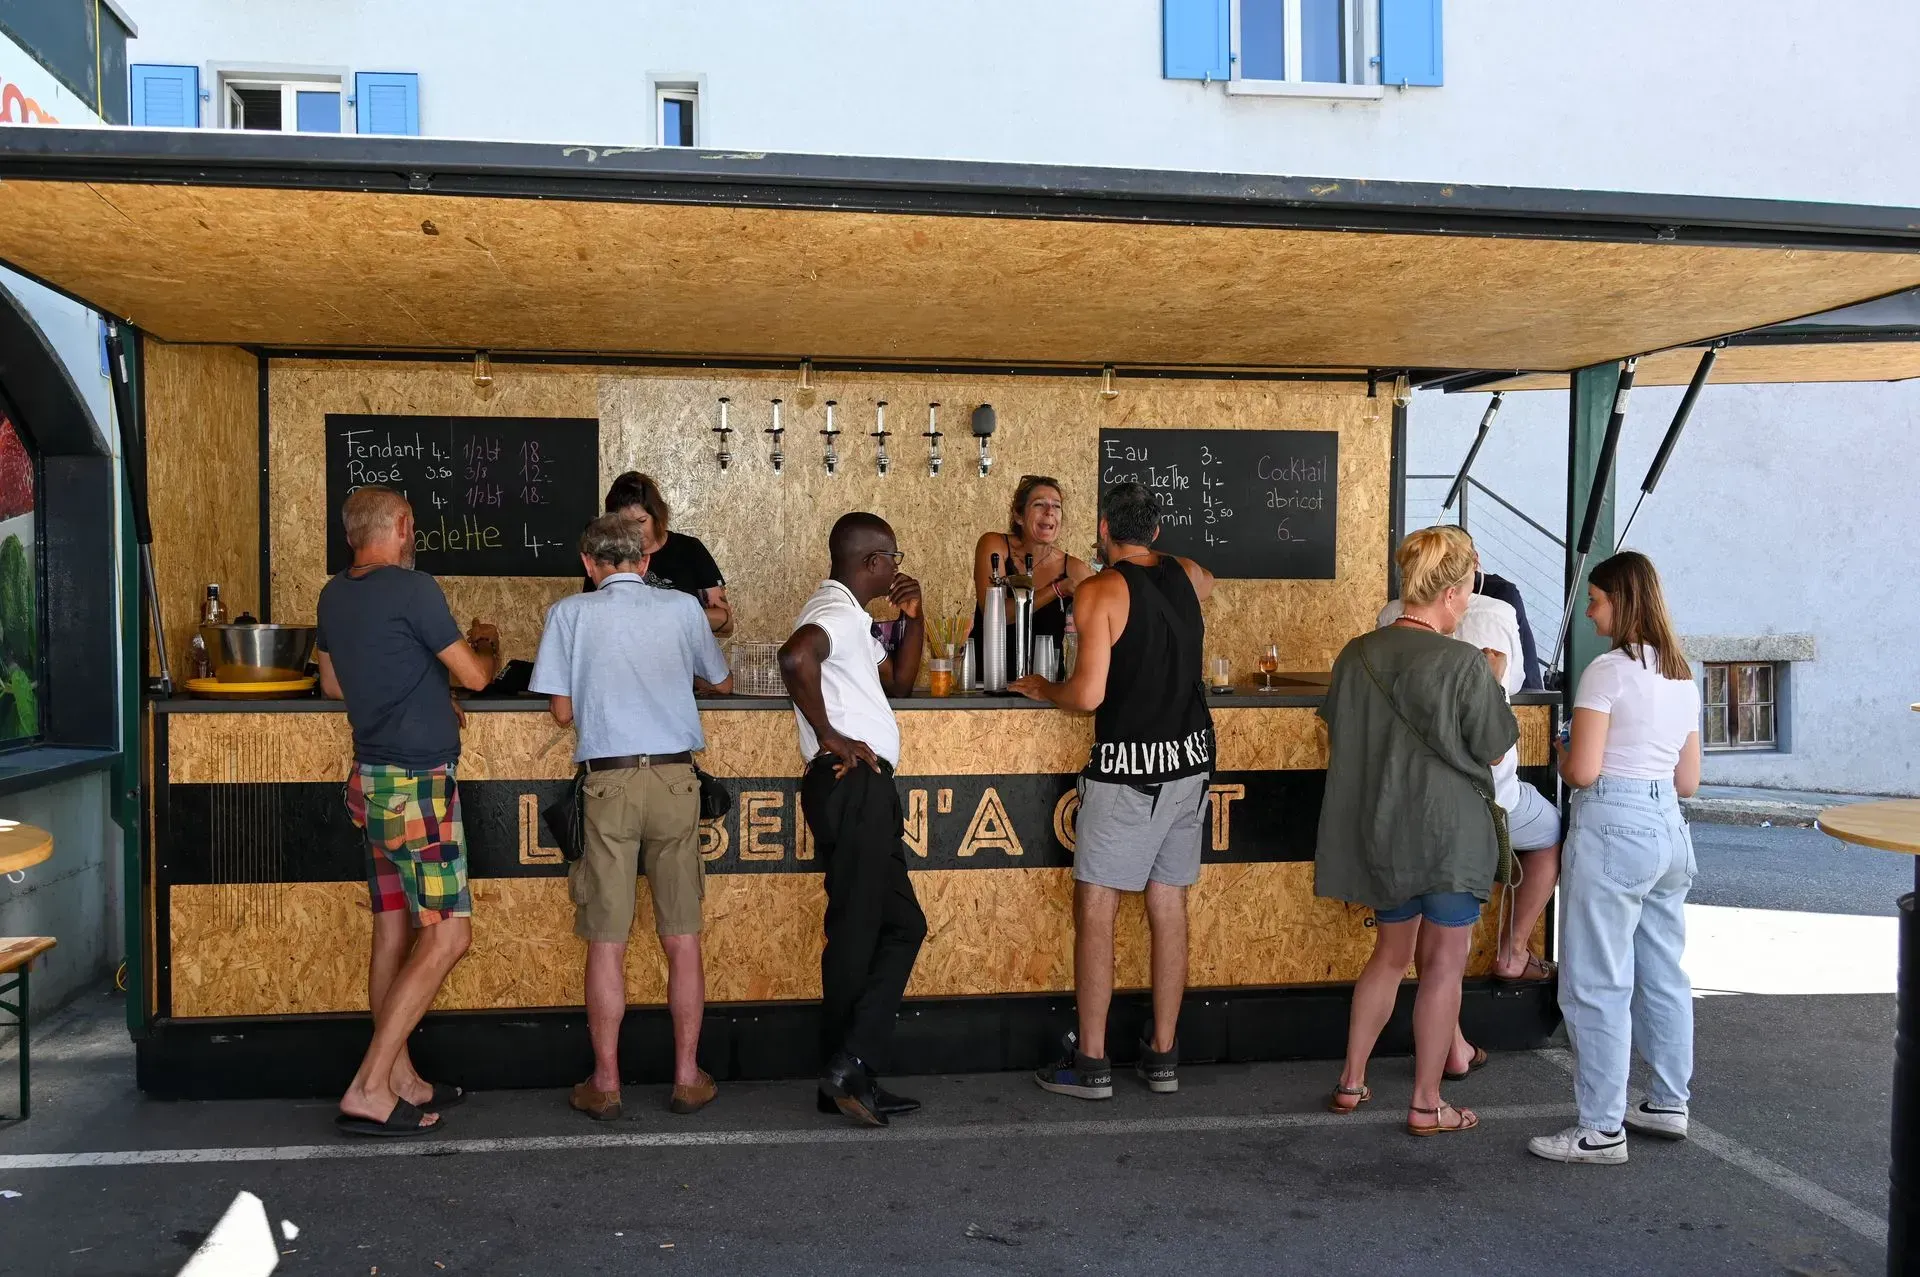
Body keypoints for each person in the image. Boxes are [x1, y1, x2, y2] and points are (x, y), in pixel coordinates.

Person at [1010, 481, 1215, 1101]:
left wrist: (1046, 687)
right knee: (1168, 904)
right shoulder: (1192, 574)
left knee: (1097, 910)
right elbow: (1194, 588)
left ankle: (1093, 1063)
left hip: (1130, 770)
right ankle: (1163, 1056)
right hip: (1191, 764)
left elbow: (1088, 696)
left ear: (1102, 528)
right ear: (1154, 531)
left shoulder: (1099, 590)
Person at [531, 513, 732, 1122]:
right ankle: (687, 1075)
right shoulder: (680, 610)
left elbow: (562, 713)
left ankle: (607, 1081)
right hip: (675, 780)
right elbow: (719, 680)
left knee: (607, 941)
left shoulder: (570, 613)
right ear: (645, 562)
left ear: (589, 565)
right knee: (682, 937)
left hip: (609, 784)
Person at [315, 485, 501, 1136]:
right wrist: (477, 648)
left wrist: (422, 686)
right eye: (411, 526)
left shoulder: (333, 594)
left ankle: (403, 1078)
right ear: (399, 526)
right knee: (449, 935)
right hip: (418, 788)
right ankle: (369, 1085)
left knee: (394, 929)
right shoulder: (415, 589)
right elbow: (477, 676)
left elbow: (335, 682)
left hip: (370, 784)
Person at [1320, 527, 1517, 1137]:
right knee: (1443, 971)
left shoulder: (1356, 655)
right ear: (1455, 593)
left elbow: (1337, 734)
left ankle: (1352, 1081)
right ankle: (1428, 1103)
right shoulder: (1463, 661)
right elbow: (1492, 746)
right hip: (1450, 837)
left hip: (1384, 832)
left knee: (1388, 956)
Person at [1529, 551, 1702, 1165]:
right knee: (1663, 972)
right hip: (1668, 828)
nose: (1592, 614)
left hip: (1614, 823)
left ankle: (1601, 1128)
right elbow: (1688, 781)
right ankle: (1666, 1101)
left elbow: (1582, 770)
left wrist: (1560, 750)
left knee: (1596, 979)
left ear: (1622, 602)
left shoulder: (1607, 672)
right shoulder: (1683, 675)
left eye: (1597, 601)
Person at [778, 512, 928, 1127]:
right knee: (863, 931)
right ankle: (847, 1065)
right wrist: (832, 737)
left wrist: (913, 621)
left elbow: (904, 680)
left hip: (860, 790)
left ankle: (847, 1071)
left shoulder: (847, 612)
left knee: (896, 926)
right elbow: (794, 660)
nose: (897, 567)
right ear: (872, 563)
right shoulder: (836, 614)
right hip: (854, 785)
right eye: (892, 556)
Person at [1379, 529, 1562, 984]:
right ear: (1459, 582)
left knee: (1397, 951)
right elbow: (1495, 737)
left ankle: (1403, 1050)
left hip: (1402, 798)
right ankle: (1513, 951)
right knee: (1552, 832)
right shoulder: (1496, 614)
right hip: (1473, 803)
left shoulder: (1386, 620)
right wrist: (1492, 676)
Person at [972, 474, 1095, 668]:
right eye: (1039, 505)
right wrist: (1057, 590)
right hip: (989, 683)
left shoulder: (1074, 568)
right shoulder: (995, 546)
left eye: (1056, 506)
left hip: (1047, 686)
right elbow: (995, 614)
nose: (1049, 512)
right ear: (1018, 516)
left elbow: (1100, 625)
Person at [589, 471, 732, 636]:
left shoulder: (689, 549)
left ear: (657, 515)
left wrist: (672, 615)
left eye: (642, 521)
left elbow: (725, 620)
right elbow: (592, 617)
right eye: (625, 524)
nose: (635, 531)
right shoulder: (605, 555)